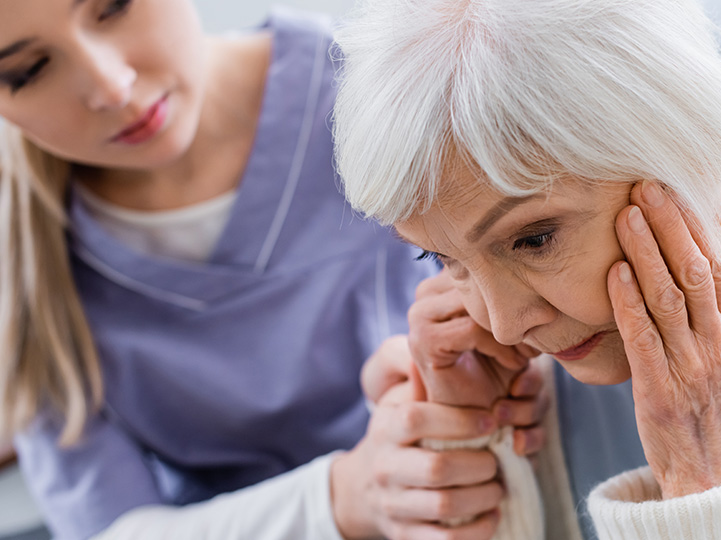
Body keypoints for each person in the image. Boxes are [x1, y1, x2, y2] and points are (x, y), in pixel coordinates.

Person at [333, 0, 721, 538]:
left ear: (680, 140)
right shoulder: (509, 342)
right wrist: (478, 456)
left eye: (533, 240)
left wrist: (703, 486)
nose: (501, 326)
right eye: (440, 257)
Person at [0, 1, 545, 539]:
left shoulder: (392, 85)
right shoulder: (28, 267)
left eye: (114, 7)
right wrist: (343, 499)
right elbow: (107, 527)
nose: (113, 87)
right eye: (28, 71)